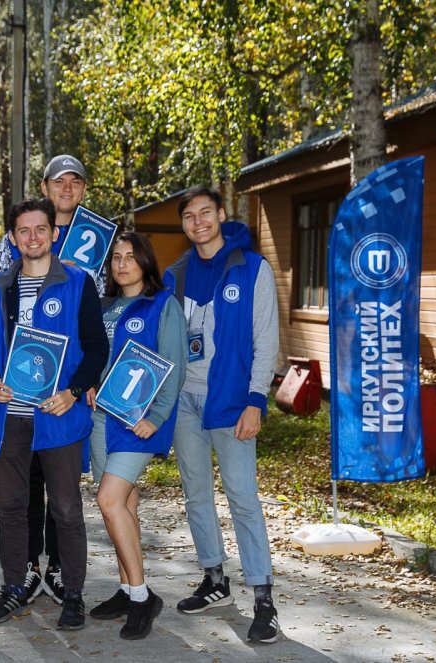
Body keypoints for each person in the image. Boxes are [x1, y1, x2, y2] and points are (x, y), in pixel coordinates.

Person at [0, 196, 108, 630]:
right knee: (12, 507)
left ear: (54, 233)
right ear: (13, 238)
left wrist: (73, 391)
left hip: (58, 415)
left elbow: (96, 347)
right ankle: (15, 585)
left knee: (67, 509)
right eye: (23, 231)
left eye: (40, 229)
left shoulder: (77, 281)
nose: (32, 237)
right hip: (8, 416)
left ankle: (72, 594)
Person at [163, 186, 281, 643]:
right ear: (184, 225)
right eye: (189, 216)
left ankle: (264, 598)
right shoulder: (174, 275)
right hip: (184, 403)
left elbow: (265, 340)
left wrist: (257, 400)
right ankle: (215, 579)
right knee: (196, 493)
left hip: (232, 403)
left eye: (205, 213)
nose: (198, 222)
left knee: (243, 498)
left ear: (221, 214)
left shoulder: (252, 268)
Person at [85, 232, 187, 639]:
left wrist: (158, 416)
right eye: (116, 258)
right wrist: (89, 383)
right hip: (100, 419)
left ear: (145, 261)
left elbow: (174, 364)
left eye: (130, 256)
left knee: (108, 500)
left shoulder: (163, 305)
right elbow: (96, 355)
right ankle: (128, 588)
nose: (122, 264)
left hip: (137, 421)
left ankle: (143, 598)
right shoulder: (105, 305)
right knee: (123, 503)